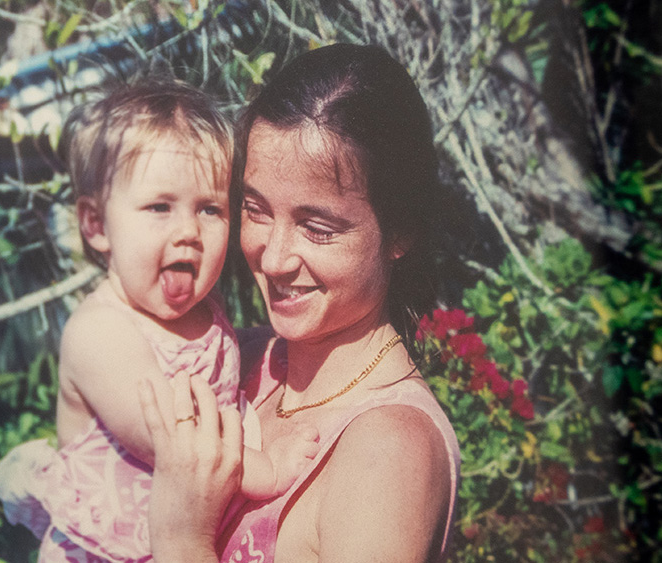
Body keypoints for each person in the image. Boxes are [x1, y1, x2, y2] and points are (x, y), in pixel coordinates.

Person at [139, 43, 462, 562]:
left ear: (399, 232)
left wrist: (182, 538)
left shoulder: (386, 449)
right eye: (256, 210)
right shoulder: (241, 359)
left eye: (317, 228)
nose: (273, 260)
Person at [0, 79, 319, 563]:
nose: (188, 232)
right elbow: (178, 441)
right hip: (105, 551)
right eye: (159, 207)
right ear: (97, 225)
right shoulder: (101, 333)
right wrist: (268, 469)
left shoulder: (205, 304)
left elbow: (222, 366)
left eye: (210, 209)